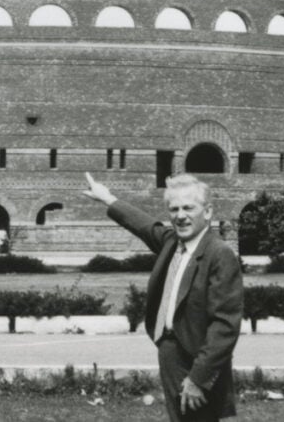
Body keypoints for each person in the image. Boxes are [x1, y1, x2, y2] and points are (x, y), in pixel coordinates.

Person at [83, 172, 243, 421]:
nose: (180, 216)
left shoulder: (219, 254)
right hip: (170, 350)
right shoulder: (171, 243)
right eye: (174, 209)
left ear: (208, 212)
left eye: (189, 207)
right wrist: (108, 198)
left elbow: (225, 324)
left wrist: (198, 379)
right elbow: (143, 224)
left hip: (199, 358)